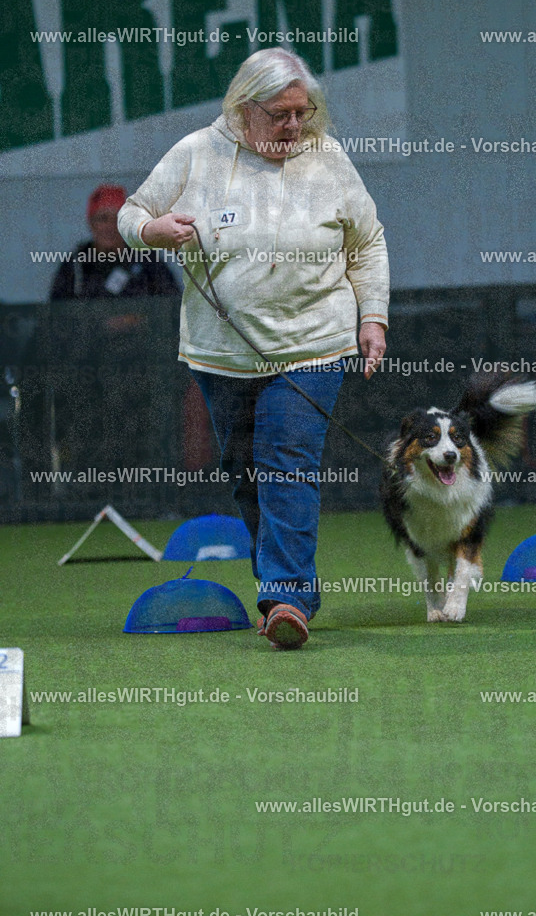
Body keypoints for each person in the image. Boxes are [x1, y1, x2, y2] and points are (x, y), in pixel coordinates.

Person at [118, 48, 390, 650]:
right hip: (223, 353)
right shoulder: (195, 154)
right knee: (244, 474)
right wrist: (152, 230)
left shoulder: (329, 160)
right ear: (245, 108)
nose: (295, 126)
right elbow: (131, 214)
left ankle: (287, 595)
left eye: (304, 112)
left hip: (314, 345)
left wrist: (373, 317)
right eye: (281, 114)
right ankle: (282, 583)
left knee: (285, 460)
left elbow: (367, 243)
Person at [50, 184, 179, 300]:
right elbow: (58, 315)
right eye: (103, 218)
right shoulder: (76, 265)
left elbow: (172, 308)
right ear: (91, 223)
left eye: (118, 219)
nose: (110, 226)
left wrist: (141, 319)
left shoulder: (148, 261)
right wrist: (101, 322)